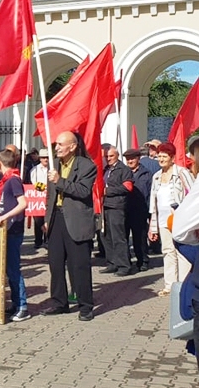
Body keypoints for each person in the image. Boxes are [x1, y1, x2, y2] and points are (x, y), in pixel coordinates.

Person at [42, 131, 97, 322]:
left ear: (72, 147)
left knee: (79, 265)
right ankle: (59, 302)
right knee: (55, 263)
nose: (56, 148)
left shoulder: (87, 166)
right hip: (57, 218)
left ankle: (85, 306)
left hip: (77, 220)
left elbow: (83, 191)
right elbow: (50, 194)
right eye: (55, 144)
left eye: (60, 144)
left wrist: (60, 181)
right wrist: (47, 217)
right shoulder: (54, 164)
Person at [148, 142, 194, 296]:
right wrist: (152, 227)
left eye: (164, 156)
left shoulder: (182, 173)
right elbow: (153, 204)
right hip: (162, 221)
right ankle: (170, 286)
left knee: (181, 252)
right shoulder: (156, 177)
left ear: (172, 158)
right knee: (167, 251)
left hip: (180, 221)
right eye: (159, 156)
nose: (161, 159)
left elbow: (194, 195)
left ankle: (184, 284)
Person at [0, 149, 29, 321]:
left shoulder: (13, 180)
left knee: (14, 269)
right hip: (7, 229)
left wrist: (5, 217)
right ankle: (15, 302)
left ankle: (22, 305)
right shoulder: (7, 180)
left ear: (0, 164)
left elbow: (23, 203)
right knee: (8, 268)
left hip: (13, 229)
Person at [101, 147, 134, 276]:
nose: (108, 158)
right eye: (106, 156)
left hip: (117, 206)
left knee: (118, 237)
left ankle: (124, 265)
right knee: (106, 236)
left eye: (111, 156)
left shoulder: (124, 169)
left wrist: (108, 191)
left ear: (117, 155)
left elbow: (128, 187)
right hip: (105, 206)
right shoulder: (106, 170)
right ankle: (112, 263)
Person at [123, 147, 152, 271]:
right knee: (123, 238)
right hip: (124, 209)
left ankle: (143, 260)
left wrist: (150, 213)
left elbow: (151, 193)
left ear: (138, 159)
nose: (130, 161)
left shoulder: (146, 173)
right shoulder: (122, 173)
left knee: (139, 238)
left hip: (140, 210)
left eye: (132, 159)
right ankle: (126, 261)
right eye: (128, 159)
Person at [30, 148, 50, 249]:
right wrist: (43, 187)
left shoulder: (52, 169)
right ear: (40, 159)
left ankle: (47, 239)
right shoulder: (35, 170)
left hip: (48, 198)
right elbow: (33, 183)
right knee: (38, 221)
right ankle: (38, 240)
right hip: (38, 198)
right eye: (43, 157)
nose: (45, 159)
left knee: (48, 219)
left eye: (47, 157)